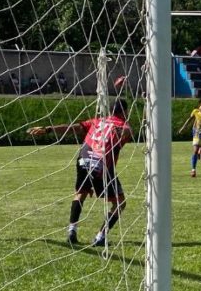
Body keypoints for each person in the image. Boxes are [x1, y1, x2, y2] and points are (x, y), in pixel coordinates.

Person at [27, 99, 132, 246]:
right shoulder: (121, 124)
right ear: (125, 112)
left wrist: (48, 129)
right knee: (120, 203)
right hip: (101, 164)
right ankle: (100, 237)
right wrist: (123, 131)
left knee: (80, 194)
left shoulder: (97, 121)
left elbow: (73, 128)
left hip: (83, 159)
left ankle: (72, 231)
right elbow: (127, 132)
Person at [178, 97, 201, 177]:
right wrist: (183, 128)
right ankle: (193, 170)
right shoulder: (195, 111)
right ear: (200, 104)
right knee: (195, 151)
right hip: (197, 133)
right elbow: (189, 119)